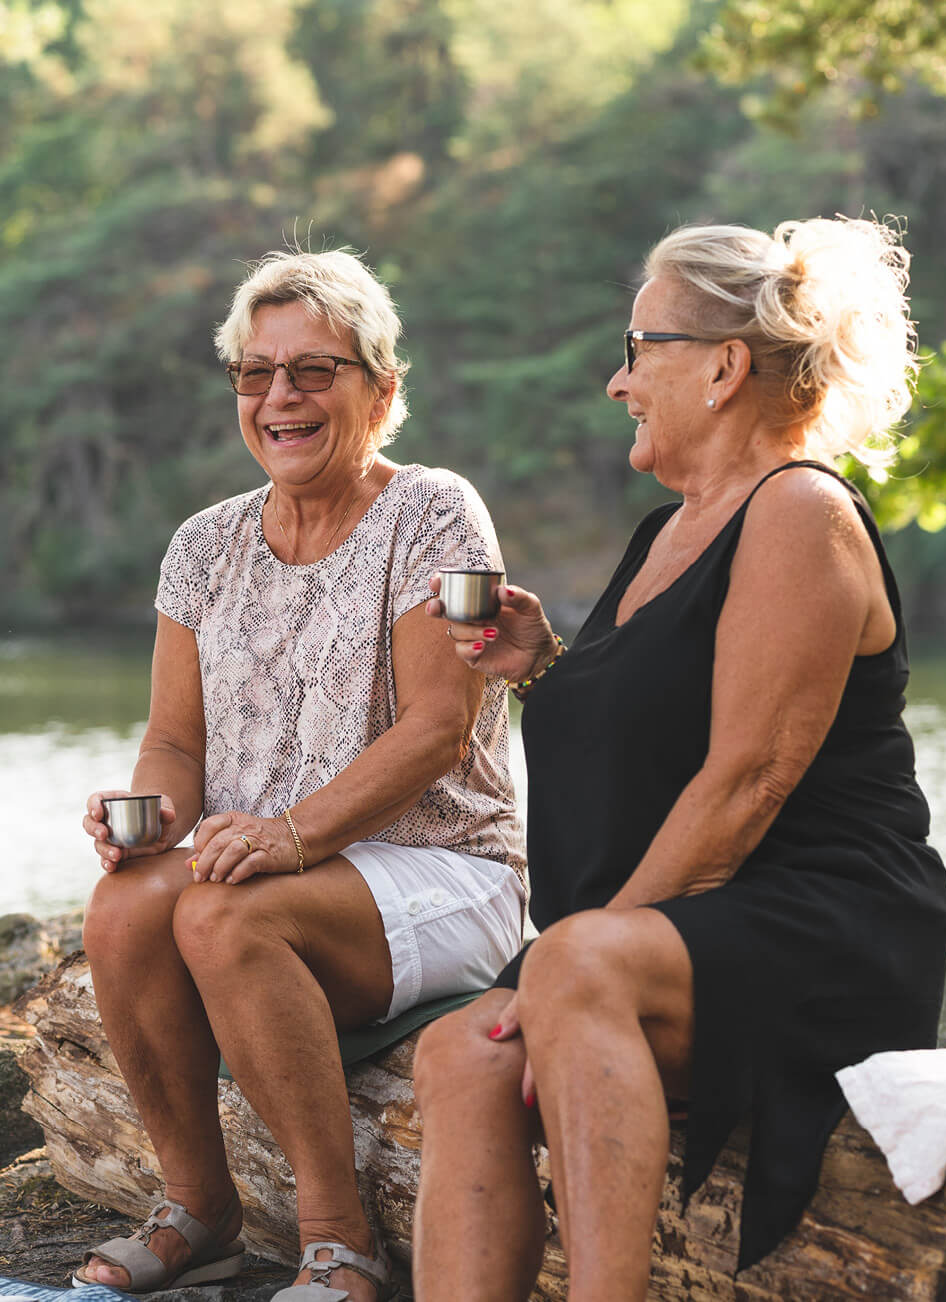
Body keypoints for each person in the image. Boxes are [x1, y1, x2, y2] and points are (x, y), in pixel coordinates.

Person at [413, 217, 946, 1302]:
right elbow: (652, 733)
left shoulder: (799, 510)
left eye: (635, 348)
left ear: (722, 368)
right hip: (686, 924)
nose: (618, 384)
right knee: (456, 1055)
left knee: (568, 968)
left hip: (822, 919)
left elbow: (748, 779)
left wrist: (583, 953)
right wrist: (539, 670)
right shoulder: (666, 531)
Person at [75, 248, 526, 1299]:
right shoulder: (202, 545)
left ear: (383, 388)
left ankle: (339, 1241)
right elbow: (175, 743)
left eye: (315, 371)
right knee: (124, 906)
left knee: (224, 919)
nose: (280, 396)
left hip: (444, 867)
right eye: (255, 372)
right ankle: (201, 1209)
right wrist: (153, 819)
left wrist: (289, 836)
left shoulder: (440, 513)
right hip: (278, 875)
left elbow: (438, 730)